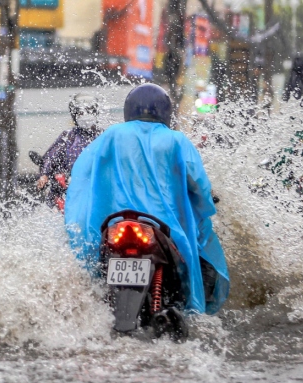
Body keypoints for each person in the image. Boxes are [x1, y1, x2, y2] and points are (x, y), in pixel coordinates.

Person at [63, 83, 229, 315]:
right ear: (166, 112)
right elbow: (199, 185)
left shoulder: (111, 135)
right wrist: (206, 203)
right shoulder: (176, 140)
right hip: (165, 228)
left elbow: (84, 174)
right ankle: (188, 312)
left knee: (95, 272)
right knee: (201, 255)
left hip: (115, 225)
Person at [37, 95, 102, 211]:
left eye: (89, 112)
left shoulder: (104, 136)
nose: (86, 117)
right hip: (67, 189)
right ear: (74, 116)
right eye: (81, 113)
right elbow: (51, 157)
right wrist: (44, 174)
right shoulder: (68, 136)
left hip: (96, 190)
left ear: (96, 113)